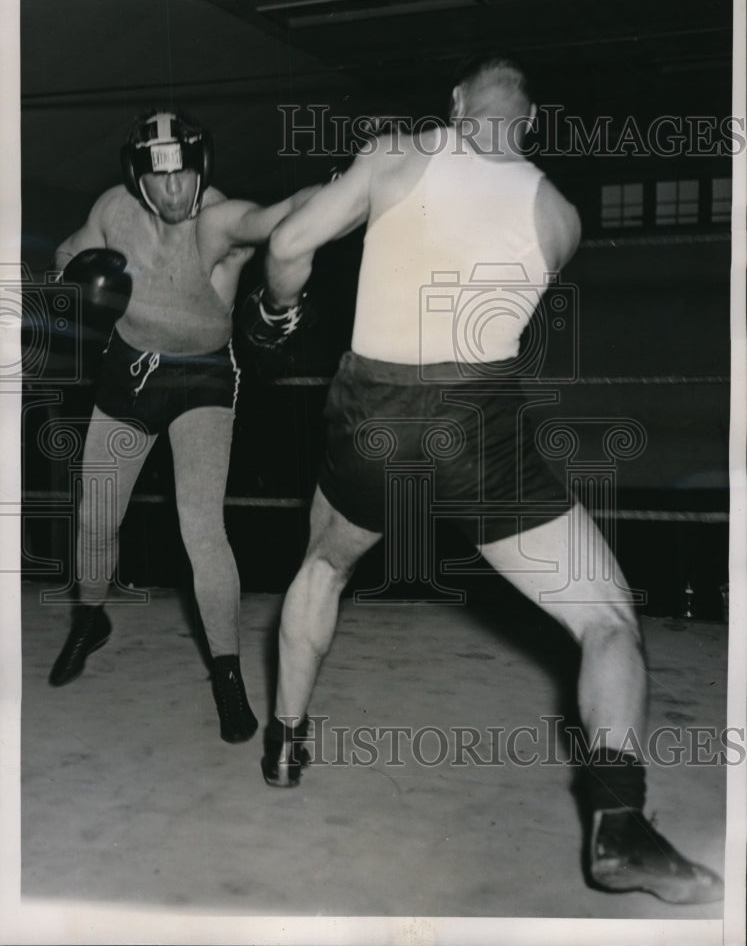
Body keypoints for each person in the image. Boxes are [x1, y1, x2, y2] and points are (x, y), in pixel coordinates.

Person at [249, 58, 724, 904]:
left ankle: (285, 743)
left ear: (455, 103)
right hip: (476, 426)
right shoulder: (559, 214)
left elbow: (286, 246)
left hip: (372, 411)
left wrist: (277, 313)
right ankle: (619, 823)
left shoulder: (397, 154)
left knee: (323, 564)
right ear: (530, 122)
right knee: (605, 618)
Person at [48, 109, 317, 745]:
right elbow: (67, 251)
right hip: (128, 372)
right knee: (95, 516)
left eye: (185, 174)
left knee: (201, 527)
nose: (175, 189)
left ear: (202, 169)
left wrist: (351, 185)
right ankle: (90, 618)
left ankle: (227, 674)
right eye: (160, 177)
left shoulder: (218, 221)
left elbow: (281, 215)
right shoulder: (113, 210)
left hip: (201, 381)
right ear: (138, 178)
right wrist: (75, 278)